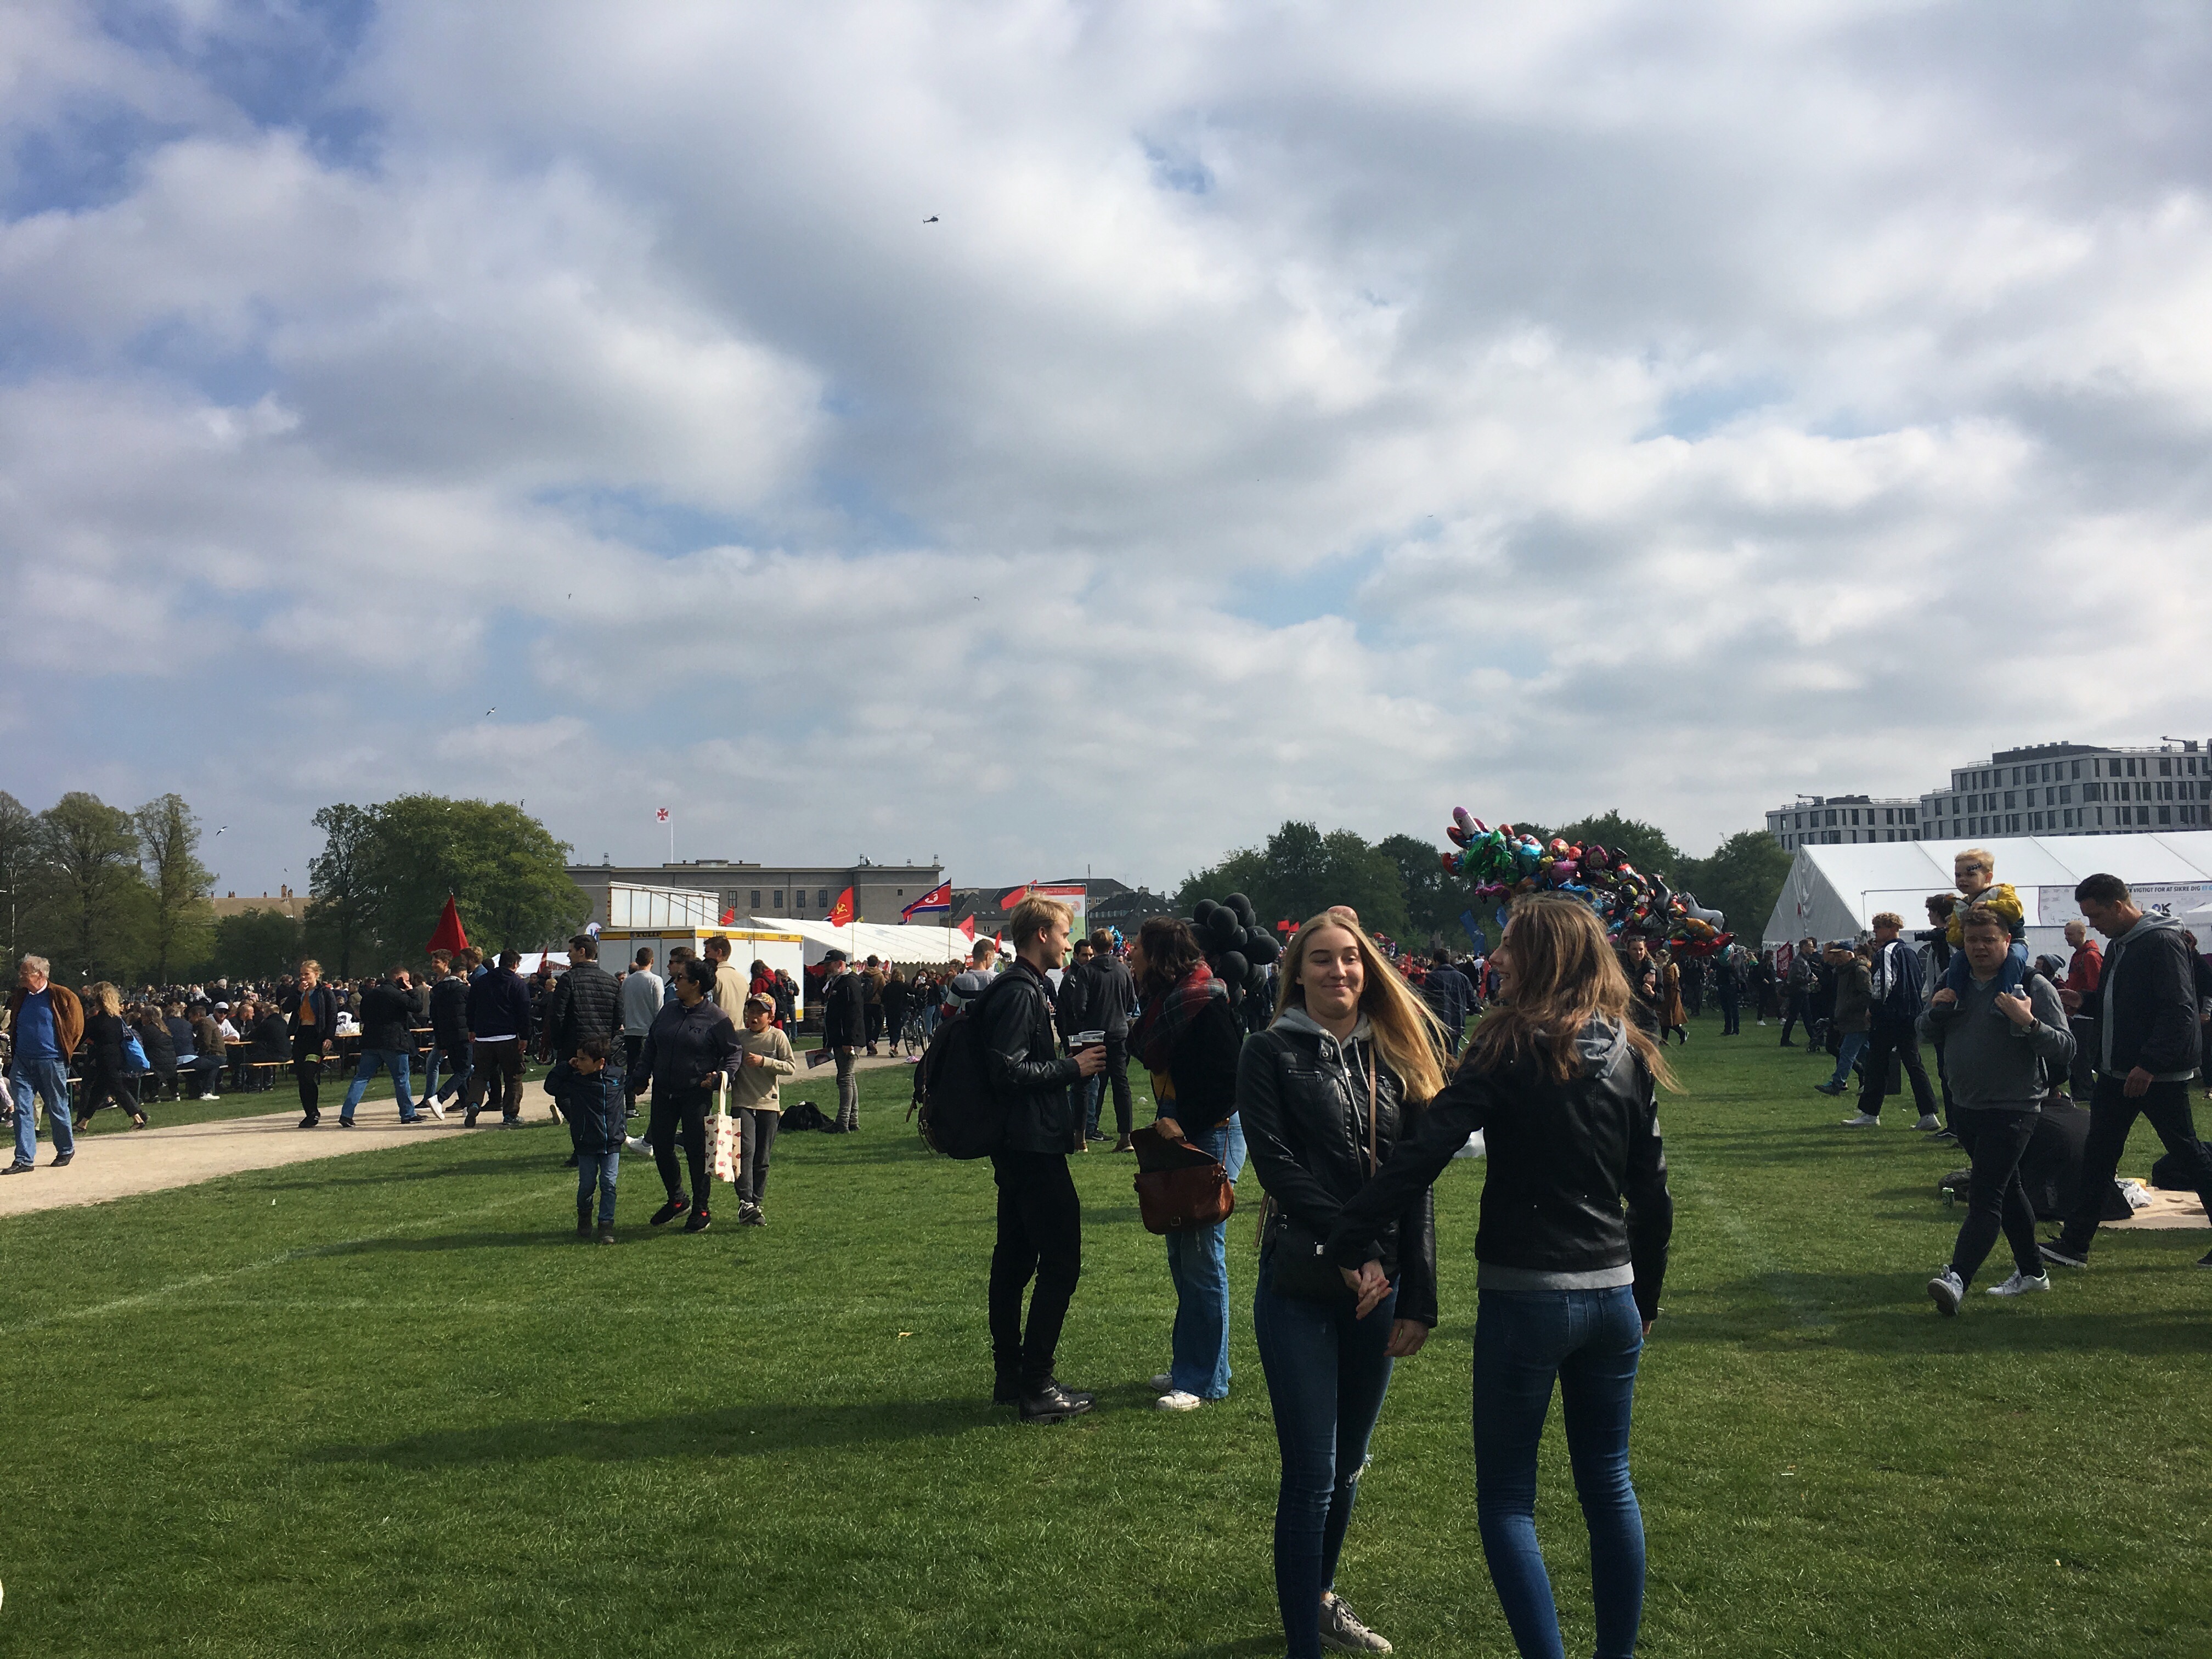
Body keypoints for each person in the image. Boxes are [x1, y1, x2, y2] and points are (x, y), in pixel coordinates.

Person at [1328, 895, 1673, 1659]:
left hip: (1529, 1300)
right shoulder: (1628, 1047)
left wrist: (1349, 1229)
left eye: (1513, 945)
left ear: (1544, 956)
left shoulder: (1507, 1044)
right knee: (1609, 1487)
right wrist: (1644, 1296)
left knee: (1509, 1501)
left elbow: (1424, 1153)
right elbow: (1653, 1195)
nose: (1500, 959)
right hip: (1613, 1295)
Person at [1240, 910, 1446, 1659]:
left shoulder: (1396, 1056)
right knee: (1312, 1472)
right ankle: (1304, 1643)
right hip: (1301, 1283)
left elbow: (1416, 1181)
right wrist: (1351, 1247)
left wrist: (1419, 1295)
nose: (1338, 972)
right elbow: (1277, 1166)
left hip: (1378, 1289)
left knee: (1349, 1463)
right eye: (1322, 960)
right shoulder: (1268, 1051)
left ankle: (1319, 1598)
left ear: (1370, 969)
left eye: (1350, 960)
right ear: (1298, 973)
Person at [979, 894, 1108, 1422]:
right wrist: (1070, 1070)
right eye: (1061, 934)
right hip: (1030, 1148)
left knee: (1014, 1261)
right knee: (1060, 1262)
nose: (1066, 943)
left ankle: (1013, 1378)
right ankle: (1036, 1384)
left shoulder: (1025, 988)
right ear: (1040, 936)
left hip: (1023, 1145)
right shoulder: (1019, 992)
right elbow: (1004, 1071)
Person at [2041, 874, 2212, 1272]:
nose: (2093, 924)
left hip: (2153, 1075)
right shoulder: (2122, 944)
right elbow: (2128, 1005)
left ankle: (2075, 1242)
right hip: (2119, 1072)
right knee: (2100, 1155)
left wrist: (2149, 1064)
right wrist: (2085, 999)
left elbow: (2178, 1010)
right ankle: (2074, 1244)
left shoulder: (2161, 942)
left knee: (2189, 1154)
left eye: (2095, 915)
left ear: (2118, 906)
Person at [1922, 909, 2075, 1312]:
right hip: (1966, 1104)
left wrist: (2029, 1024)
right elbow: (1923, 1030)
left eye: (1990, 940)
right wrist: (1936, 1012)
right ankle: (2033, 1272)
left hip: (2014, 1106)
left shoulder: (2031, 985)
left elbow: (2067, 1047)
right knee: (2009, 1190)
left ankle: (1957, 1279)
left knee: (1986, 1193)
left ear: (2009, 942)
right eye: (1973, 941)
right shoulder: (1953, 982)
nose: (1981, 948)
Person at [1128, 916, 1248, 1410]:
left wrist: (1184, 1121)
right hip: (1184, 1126)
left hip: (1212, 1129)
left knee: (1201, 1254)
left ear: (1158, 955)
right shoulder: (1173, 1000)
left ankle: (1201, 1381)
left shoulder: (1204, 1001)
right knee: (1184, 1254)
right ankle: (1197, 1365)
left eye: (1136, 949)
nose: (1129, 956)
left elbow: (1230, 1079)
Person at [637, 957, 741, 1234]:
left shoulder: (716, 1018)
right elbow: (652, 1045)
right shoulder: (669, 1010)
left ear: (696, 984)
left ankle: (701, 1208)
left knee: (696, 1151)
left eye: (680, 977)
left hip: (696, 1092)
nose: (675, 981)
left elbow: (733, 1053)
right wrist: (640, 1075)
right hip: (664, 1091)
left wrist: (721, 1076)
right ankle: (677, 1199)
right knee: (661, 1145)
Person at [1842, 912, 1939, 1130]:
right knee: (1914, 1064)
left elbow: (1884, 982)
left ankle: (1869, 1113)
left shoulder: (1887, 952)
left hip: (1890, 1016)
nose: (1875, 931)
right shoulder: (1910, 953)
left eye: (1878, 927)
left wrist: (1874, 1008)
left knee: (1877, 1064)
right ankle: (1929, 1113)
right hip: (1910, 1014)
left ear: (1890, 928)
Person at [550, 1037, 625, 1244]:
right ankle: (584, 1217)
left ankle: (606, 1226)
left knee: (609, 1183)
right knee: (587, 1185)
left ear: (600, 1062)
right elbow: (551, 1086)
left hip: (612, 1142)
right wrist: (567, 1066)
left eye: (584, 1059)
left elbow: (634, 1084)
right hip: (586, 1142)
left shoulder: (616, 1077)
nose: (579, 1062)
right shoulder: (577, 1081)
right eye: (578, 1058)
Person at [732, 994, 796, 1225]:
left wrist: (765, 1062)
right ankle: (745, 1202)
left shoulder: (778, 1037)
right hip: (742, 1103)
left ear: (770, 1016)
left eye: (760, 1012)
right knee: (744, 1153)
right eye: (751, 1011)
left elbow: (790, 1067)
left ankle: (756, 1204)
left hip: (769, 1104)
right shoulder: (739, 1038)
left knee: (763, 1157)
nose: (754, 1017)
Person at [1940, 847, 2028, 1011]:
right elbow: (1952, 937)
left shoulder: (2000, 892)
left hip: (2015, 942)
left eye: (1970, 875)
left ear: (1988, 877)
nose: (1963, 880)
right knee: (1958, 961)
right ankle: (1952, 1001)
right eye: (1958, 875)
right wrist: (1962, 929)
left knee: (2014, 959)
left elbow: (2015, 909)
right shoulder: (1960, 905)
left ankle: (2004, 1002)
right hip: (1975, 948)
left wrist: (1989, 905)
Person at [339, 967, 426, 1125]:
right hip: (394, 1041)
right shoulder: (397, 994)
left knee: (362, 1078)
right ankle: (408, 1113)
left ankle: (346, 1114)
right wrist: (411, 990)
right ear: (398, 978)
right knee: (401, 1078)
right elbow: (417, 1007)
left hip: (371, 1041)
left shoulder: (370, 995)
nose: (408, 983)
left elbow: (363, 1015)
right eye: (406, 980)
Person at [464, 951, 535, 1126]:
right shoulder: (517, 983)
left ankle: (473, 1103)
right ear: (515, 965)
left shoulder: (481, 982)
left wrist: (472, 1029)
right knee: (513, 1076)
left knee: (480, 1075)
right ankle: (510, 1115)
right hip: (508, 1037)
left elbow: (470, 1007)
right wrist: (525, 1037)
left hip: (483, 1038)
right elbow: (524, 1012)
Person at [1084, 929, 1138, 1152]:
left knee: (1088, 1082)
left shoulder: (1087, 972)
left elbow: (1080, 1005)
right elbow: (1131, 1002)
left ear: (1093, 947)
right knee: (1121, 1084)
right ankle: (1126, 1136)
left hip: (1094, 1034)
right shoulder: (1123, 970)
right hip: (1118, 1031)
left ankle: (1084, 1134)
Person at [74, 981, 147, 1131]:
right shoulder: (116, 1020)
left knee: (117, 1088)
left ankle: (138, 1118)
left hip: (104, 1058)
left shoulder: (95, 1021)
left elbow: (80, 1038)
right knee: (98, 1091)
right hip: (117, 1056)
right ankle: (83, 1123)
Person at [281, 960, 339, 1127]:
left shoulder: (325, 993)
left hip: (317, 1037)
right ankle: (310, 1112)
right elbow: (287, 1008)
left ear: (316, 974)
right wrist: (298, 993)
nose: (303, 977)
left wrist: (329, 1037)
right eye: (301, 974)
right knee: (301, 1076)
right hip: (301, 1036)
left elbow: (332, 1017)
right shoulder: (299, 992)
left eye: (307, 974)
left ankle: (314, 1112)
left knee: (308, 1073)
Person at [818, 949, 870, 1133]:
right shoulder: (839, 982)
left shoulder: (849, 982)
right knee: (848, 1078)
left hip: (848, 1040)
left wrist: (849, 1040)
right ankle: (852, 1120)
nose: (825, 968)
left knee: (845, 1079)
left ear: (840, 963)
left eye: (828, 964)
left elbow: (853, 1014)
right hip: (841, 1038)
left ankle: (843, 1122)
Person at [1817, 943, 1874, 1102]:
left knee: (1847, 1052)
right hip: (1849, 1020)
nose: (1836, 959)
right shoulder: (1844, 972)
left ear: (1850, 954)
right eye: (1834, 955)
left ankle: (1837, 1083)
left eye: (1839, 955)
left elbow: (1867, 994)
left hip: (1858, 1020)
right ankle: (1876, 1080)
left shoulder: (1859, 970)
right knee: (1865, 1054)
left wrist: (1848, 1007)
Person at [2058, 918, 2103, 1103]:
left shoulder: (2090, 956)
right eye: (2066, 935)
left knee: (2083, 1056)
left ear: (2081, 934)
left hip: (2087, 1015)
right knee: (2077, 1056)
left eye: (2070, 934)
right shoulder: (2079, 955)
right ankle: (2081, 1092)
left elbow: (2096, 987)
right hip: (2077, 1013)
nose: (2067, 938)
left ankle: (2086, 1092)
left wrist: (2080, 1000)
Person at [422, 954, 471, 1115]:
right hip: (464, 1034)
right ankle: (440, 1098)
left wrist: (441, 1043)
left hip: (446, 1036)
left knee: (459, 1069)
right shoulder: (465, 990)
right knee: (465, 1069)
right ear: (462, 975)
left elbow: (435, 1018)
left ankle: (467, 1104)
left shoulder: (437, 991)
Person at [620, 947, 663, 1108]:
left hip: (631, 1030)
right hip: (649, 1031)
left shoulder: (627, 981)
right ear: (652, 961)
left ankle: (630, 1105)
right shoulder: (655, 980)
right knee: (655, 1068)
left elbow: (624, 1004)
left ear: (637, 961)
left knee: (632, 1068)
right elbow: (658, 1008)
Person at [1421, 946, 1475, 1055]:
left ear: (1436, 961)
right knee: (1453, 1054)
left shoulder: (1432, 977)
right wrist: (1477, 1008)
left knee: (1437, 1056)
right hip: (1457, 1021)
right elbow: (1471, 998)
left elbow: (1427, 999)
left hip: (1437, 1022)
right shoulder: (1462, 978)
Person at [1779, 940, 1818, 1047]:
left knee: (1807, 1017)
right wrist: (1809, 978)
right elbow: (1793, 978)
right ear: (1804, 947)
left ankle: (1814, 1038)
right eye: (1810, 946)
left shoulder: (1804, 960)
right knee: (1793, 1016)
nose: (1813, 948)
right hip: (1797, 993)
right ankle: (1785, 1039)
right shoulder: (1798, 961)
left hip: (1803, 992)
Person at [1619, 936, 1660, 1037]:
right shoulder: (1622, 968)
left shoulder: (1655, 971)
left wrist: (1651, 993)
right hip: (1628, 1020)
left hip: (1648, 1021)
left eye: (1641, 949)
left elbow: (1661, 999)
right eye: (1634, 949)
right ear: (1628, 950)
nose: (1638, 953)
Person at [188, 1002, 226, 1100]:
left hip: (216, 1055)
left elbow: (206, 1043)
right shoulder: (207, 1023)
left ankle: (205, 1091)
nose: (190, 1020)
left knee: (192, 1064)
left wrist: (199, 1055)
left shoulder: (205, 1024)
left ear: (198, 1015)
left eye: (191, 1017)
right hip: (218, 1056)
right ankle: (205, 1091)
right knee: (212, 1066)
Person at [1655, 950, 1686, 1045]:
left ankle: (1682, 1033)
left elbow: (1669, 980)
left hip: (1670, 998)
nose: (1656, 959)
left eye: (1658, 957)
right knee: (1665, 1020)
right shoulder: (1664, 968)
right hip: (1666, 997)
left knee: (1668, 1019)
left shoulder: (1668, 968)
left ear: (1664, 958)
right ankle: (1664, 1040)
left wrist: (1658, 979)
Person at [1715, 948, 1742, 1035]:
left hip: (1731, 985)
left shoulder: (1736, 957)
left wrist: (1728, 959)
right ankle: (1727, 1029)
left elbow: (1734, 967)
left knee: (1734, 1008)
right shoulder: (1720, 958)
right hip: (1722, 984)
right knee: (1726, 1009)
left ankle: (1736, 1030)